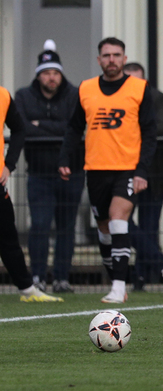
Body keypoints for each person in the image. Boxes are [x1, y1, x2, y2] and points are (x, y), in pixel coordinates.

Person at [58, 37, 157, 303]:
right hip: (96, 169)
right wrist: (65, 157)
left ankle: (117, 286)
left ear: (124, 59)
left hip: (127, 168)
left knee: (117, 218)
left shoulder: (139, 88)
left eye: (116, 55)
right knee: (104, 228)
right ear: (99, 59)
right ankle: (115, 278)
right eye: (106, 55)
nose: (111, 60)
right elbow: (74, 127)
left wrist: (141, 171)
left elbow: (150, 132)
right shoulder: (86, 89)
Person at [14, 39, 84, 293]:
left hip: (72, 172)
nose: (51, 78)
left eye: (55, 73)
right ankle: (38, 277)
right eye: (46, 73)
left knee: (66, 226)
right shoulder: (23, 95)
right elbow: (23, 128)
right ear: (38, 75)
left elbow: (74, 128)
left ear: (60, 74)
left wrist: (39, 125)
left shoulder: (76, 93)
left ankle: (62, 278)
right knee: (40, 225)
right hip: (40, 173)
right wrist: (58, 130)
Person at [0, 84, 64, 302]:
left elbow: (19, 130)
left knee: (8, 240)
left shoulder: (3, 95)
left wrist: (9, 164)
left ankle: (27, 290)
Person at [122, 62, 163, 292]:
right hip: (125, 169)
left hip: (155, 171)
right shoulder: (118, 98)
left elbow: (161, 127)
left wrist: (129, 130)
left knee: (149, 224)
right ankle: (160, 262)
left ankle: (141, 277)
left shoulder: (156, 97)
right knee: (122, 221)